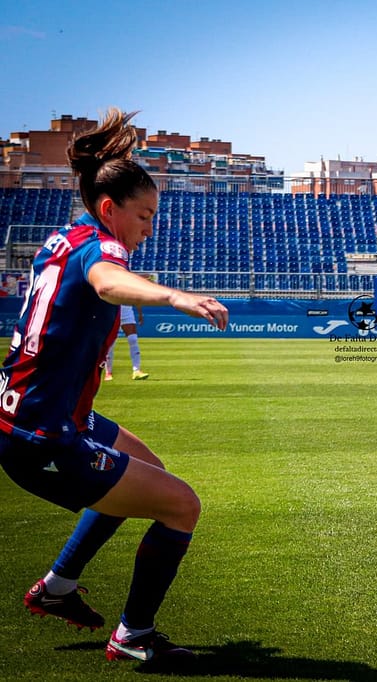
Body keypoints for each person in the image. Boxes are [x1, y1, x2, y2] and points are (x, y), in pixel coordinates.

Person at [0, 109, 229, 664]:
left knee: (151, 472)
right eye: (145, 215)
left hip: (29, 412)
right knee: (181, 506)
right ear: (110, 209)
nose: (150, 227)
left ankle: (57, 586)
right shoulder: (105, 248)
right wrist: (174, 296)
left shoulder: (64, 236)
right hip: (43, 434)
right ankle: (134, 637)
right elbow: (106, 281)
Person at [104, 304, 149, 381]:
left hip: (127, 312)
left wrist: (140, 314)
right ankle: (108, 373)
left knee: (133, 339)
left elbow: (136, 298)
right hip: (112, 312)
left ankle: (136, 371)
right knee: (110, 343)